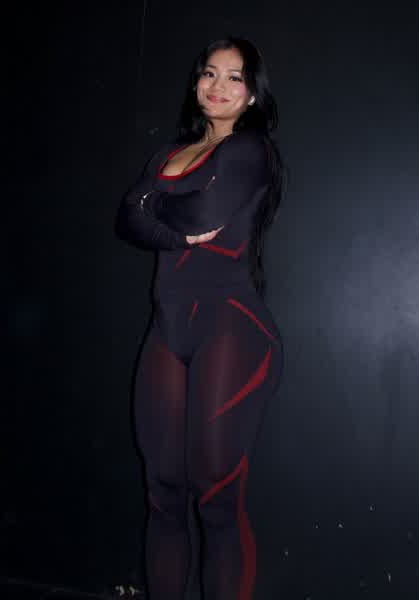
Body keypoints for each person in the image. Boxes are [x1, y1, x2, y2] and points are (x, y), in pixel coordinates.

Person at [115, 36, 285, 600]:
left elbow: (198, 212)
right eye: (209, 73)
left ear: (252, 94)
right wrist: (157, 218)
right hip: (167, 330)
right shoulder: (169, 152)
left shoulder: (250, 150)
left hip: (230, 329)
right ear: (195, 83)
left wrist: (150, 205)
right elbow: (126, 219)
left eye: (235, 77)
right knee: (163, 493)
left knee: (217, 500)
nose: (218, 86)